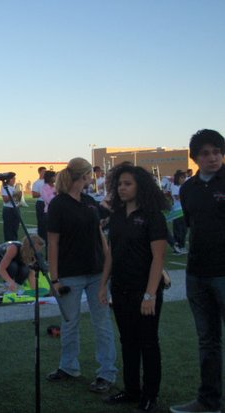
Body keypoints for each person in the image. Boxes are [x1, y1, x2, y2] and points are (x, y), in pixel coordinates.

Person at [98, 164, 168, 413]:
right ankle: (131, 391)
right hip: (121, 288)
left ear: (140, 186)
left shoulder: (152, 215)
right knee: (127, 341)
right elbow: (111, 255)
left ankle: (150, 395)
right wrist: (103, 285)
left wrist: (150, 294)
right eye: (119, 184)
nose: (122, 188)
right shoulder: (116, 216)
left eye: (128, 183)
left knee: (148, 342)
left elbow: (158, 258)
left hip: (144, 290)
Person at [46, 157, 117, 393]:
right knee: (70, 323)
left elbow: (100, 235)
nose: (93, 178)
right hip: (70, 274)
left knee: (103, 323)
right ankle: (68, 367)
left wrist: (108, 264)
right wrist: (54, 278)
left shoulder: (89, 202)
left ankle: (107, 373)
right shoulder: (58, 204)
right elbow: (53, 244)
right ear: (85, 175)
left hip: (97, 272)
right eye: (91, 174)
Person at [171, 129, 225, 413]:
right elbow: (192, 226)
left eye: (217, 151)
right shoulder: (188, 188)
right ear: (196, 157)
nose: (213, 157)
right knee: (207, 341)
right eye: (205, 153)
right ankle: (209, 401)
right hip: (197, 274)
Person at [171, 170, 188, 254]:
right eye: (182, 177)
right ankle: (177, 248)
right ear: (178, 178)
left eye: (184, 177)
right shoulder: (175, 186)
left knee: (184, 230)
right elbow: (177, 197)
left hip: (183, 210)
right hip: (177, 211)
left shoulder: (183, 187)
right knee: (178, 230)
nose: (183, 179)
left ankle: (182, 246)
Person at [39, 170, 57, 246]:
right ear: (50, 178)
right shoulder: (44, 188)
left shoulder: (56, 187)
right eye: (54, 176)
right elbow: (48, 200)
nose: (55, 178)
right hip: (48, 213)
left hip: (57, 213)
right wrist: (55, 193)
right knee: (49, 238)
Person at [1, 176, 21, 241]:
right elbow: (5, 199)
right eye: (13, 178)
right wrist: (14, 194)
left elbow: (18, 200)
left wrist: (19, 195)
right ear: (8, 180)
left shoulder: (15, 187)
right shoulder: (5, 187)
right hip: (8, 209)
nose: (14, 180)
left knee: (15, 228)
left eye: (15, 178)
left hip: (16, 208)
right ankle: (8, 244)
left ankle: (14, 243)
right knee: (8, 229)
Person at [31, 166, 47, 239]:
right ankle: (40, 237)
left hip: (48, 203)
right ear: (40, 172)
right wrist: (43, 193)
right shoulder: (36, 183)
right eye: (44, 171)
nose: (45, 173)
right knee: (41, 221)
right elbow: (34, 195)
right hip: (41, 203)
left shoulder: (48, 182)